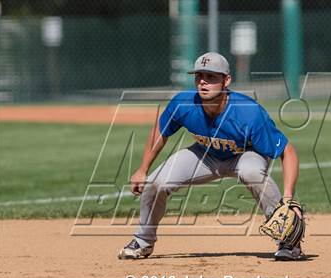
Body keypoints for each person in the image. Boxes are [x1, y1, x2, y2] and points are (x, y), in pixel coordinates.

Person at [118, 52, 303, 261]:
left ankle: (289, 241)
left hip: (245, 155)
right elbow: (160, 132)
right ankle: (143, 241)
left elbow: (288, 152)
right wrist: (143, 169)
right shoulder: (183, 103)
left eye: (211, 77)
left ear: (227, 80)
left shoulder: (249, 113)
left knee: (251, 172)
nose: (203, 82)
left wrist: (287, 197)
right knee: (155, 182)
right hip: (206, 155)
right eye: (199, 76)